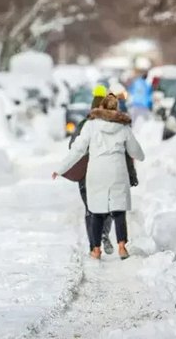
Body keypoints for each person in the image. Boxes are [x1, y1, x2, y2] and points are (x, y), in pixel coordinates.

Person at [54, 94, 145, 260]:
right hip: (117, 172)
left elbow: (77, 150)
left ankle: (95, 250)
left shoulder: (90, 126)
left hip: (96, 172)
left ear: (100, 107)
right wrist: (141, 156)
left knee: (96, 211)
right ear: (116, 108)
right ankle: (122, 247)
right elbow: (136, 152)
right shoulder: (123, 128)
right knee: (118, 211)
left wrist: (60, 169)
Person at [70, 85, 113, 254]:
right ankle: (103, 233)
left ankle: (93, 245)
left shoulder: (83, 125)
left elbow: (72, 146)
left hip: (86, 175)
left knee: (90, 209)